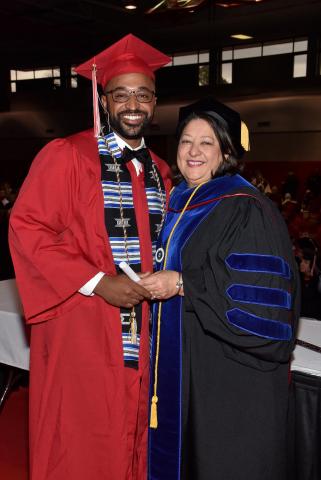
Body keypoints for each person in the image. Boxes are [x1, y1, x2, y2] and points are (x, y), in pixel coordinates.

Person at [9, 34, 172, 480]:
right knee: (81, 437)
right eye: (122, 95)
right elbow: (28, 228)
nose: (133, 104)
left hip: (146, 330)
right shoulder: (67, 156)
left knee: (138, 431)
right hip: (82, 325)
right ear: (104, 100)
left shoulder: (160, 170)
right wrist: (99, 283)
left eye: (143, 94)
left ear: (155, 102)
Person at [140, 98, 300, 480]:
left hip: (228, 378)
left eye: (206, 143)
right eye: (185, 142)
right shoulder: (178, 201)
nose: (193, 152)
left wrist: (181, 284)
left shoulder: (245, 207)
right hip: (184, 369)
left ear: (226, 150)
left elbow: (264, 304)